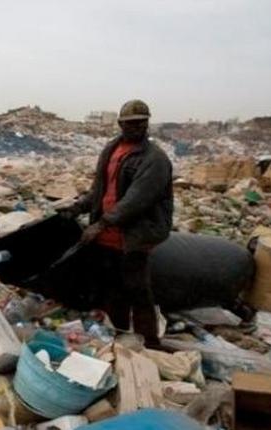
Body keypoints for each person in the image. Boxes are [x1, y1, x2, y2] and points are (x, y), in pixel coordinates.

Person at [59, 99, 173, 347]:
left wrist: (99, 225)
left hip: (134, 238)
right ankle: (119, 338)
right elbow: (99, 191)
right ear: (120, 124)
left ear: (147, 124)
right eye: (130, 123)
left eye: (141, 123)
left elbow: (137, 200)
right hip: (107, 238)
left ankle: (151, 346)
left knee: (139, 292)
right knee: (112, 290)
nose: (136, 127)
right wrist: (77, 207)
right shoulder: (112, 150)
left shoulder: (155, 159)